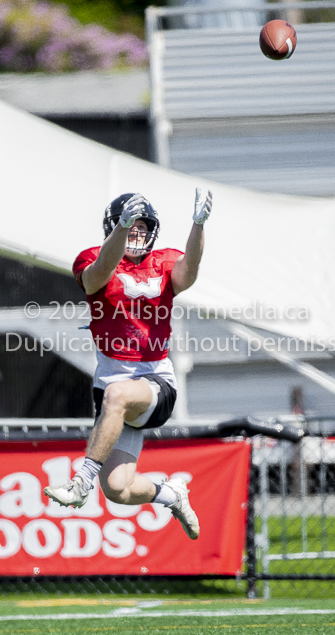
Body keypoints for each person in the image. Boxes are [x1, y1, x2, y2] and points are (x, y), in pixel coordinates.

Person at [44, 188, 213, 540]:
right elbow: (97, 276)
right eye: (129, 227)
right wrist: (121, 230)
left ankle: (80, 484)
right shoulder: (93, 257)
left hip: (154, 383)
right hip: (111, 389)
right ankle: (171, 494)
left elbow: (189, 272)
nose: (136, 234)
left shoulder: (164, 261)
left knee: (119, 395)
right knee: (118, 489)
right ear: (114, 226)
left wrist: (197, 225)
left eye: (141, 228)